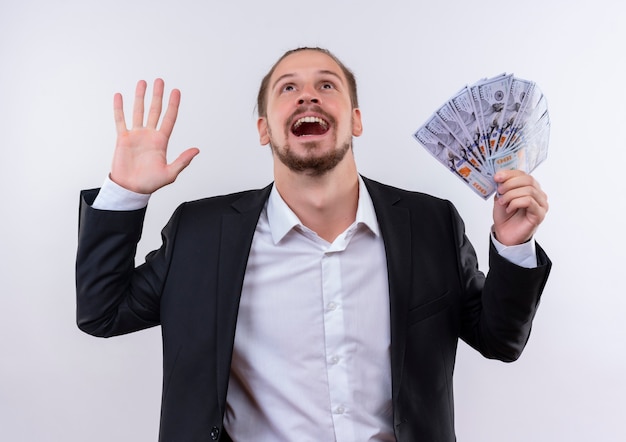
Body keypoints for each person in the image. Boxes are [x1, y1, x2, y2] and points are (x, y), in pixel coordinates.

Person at [76, 47, 552, 442]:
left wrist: (513, 246)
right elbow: (102, 312)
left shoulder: (430, 224)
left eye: (327, 85)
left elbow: (499, 340)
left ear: (356, 120)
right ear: (264, 128)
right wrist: (125, 192)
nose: (308, 96)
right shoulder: (202, 233)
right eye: (288, 88)